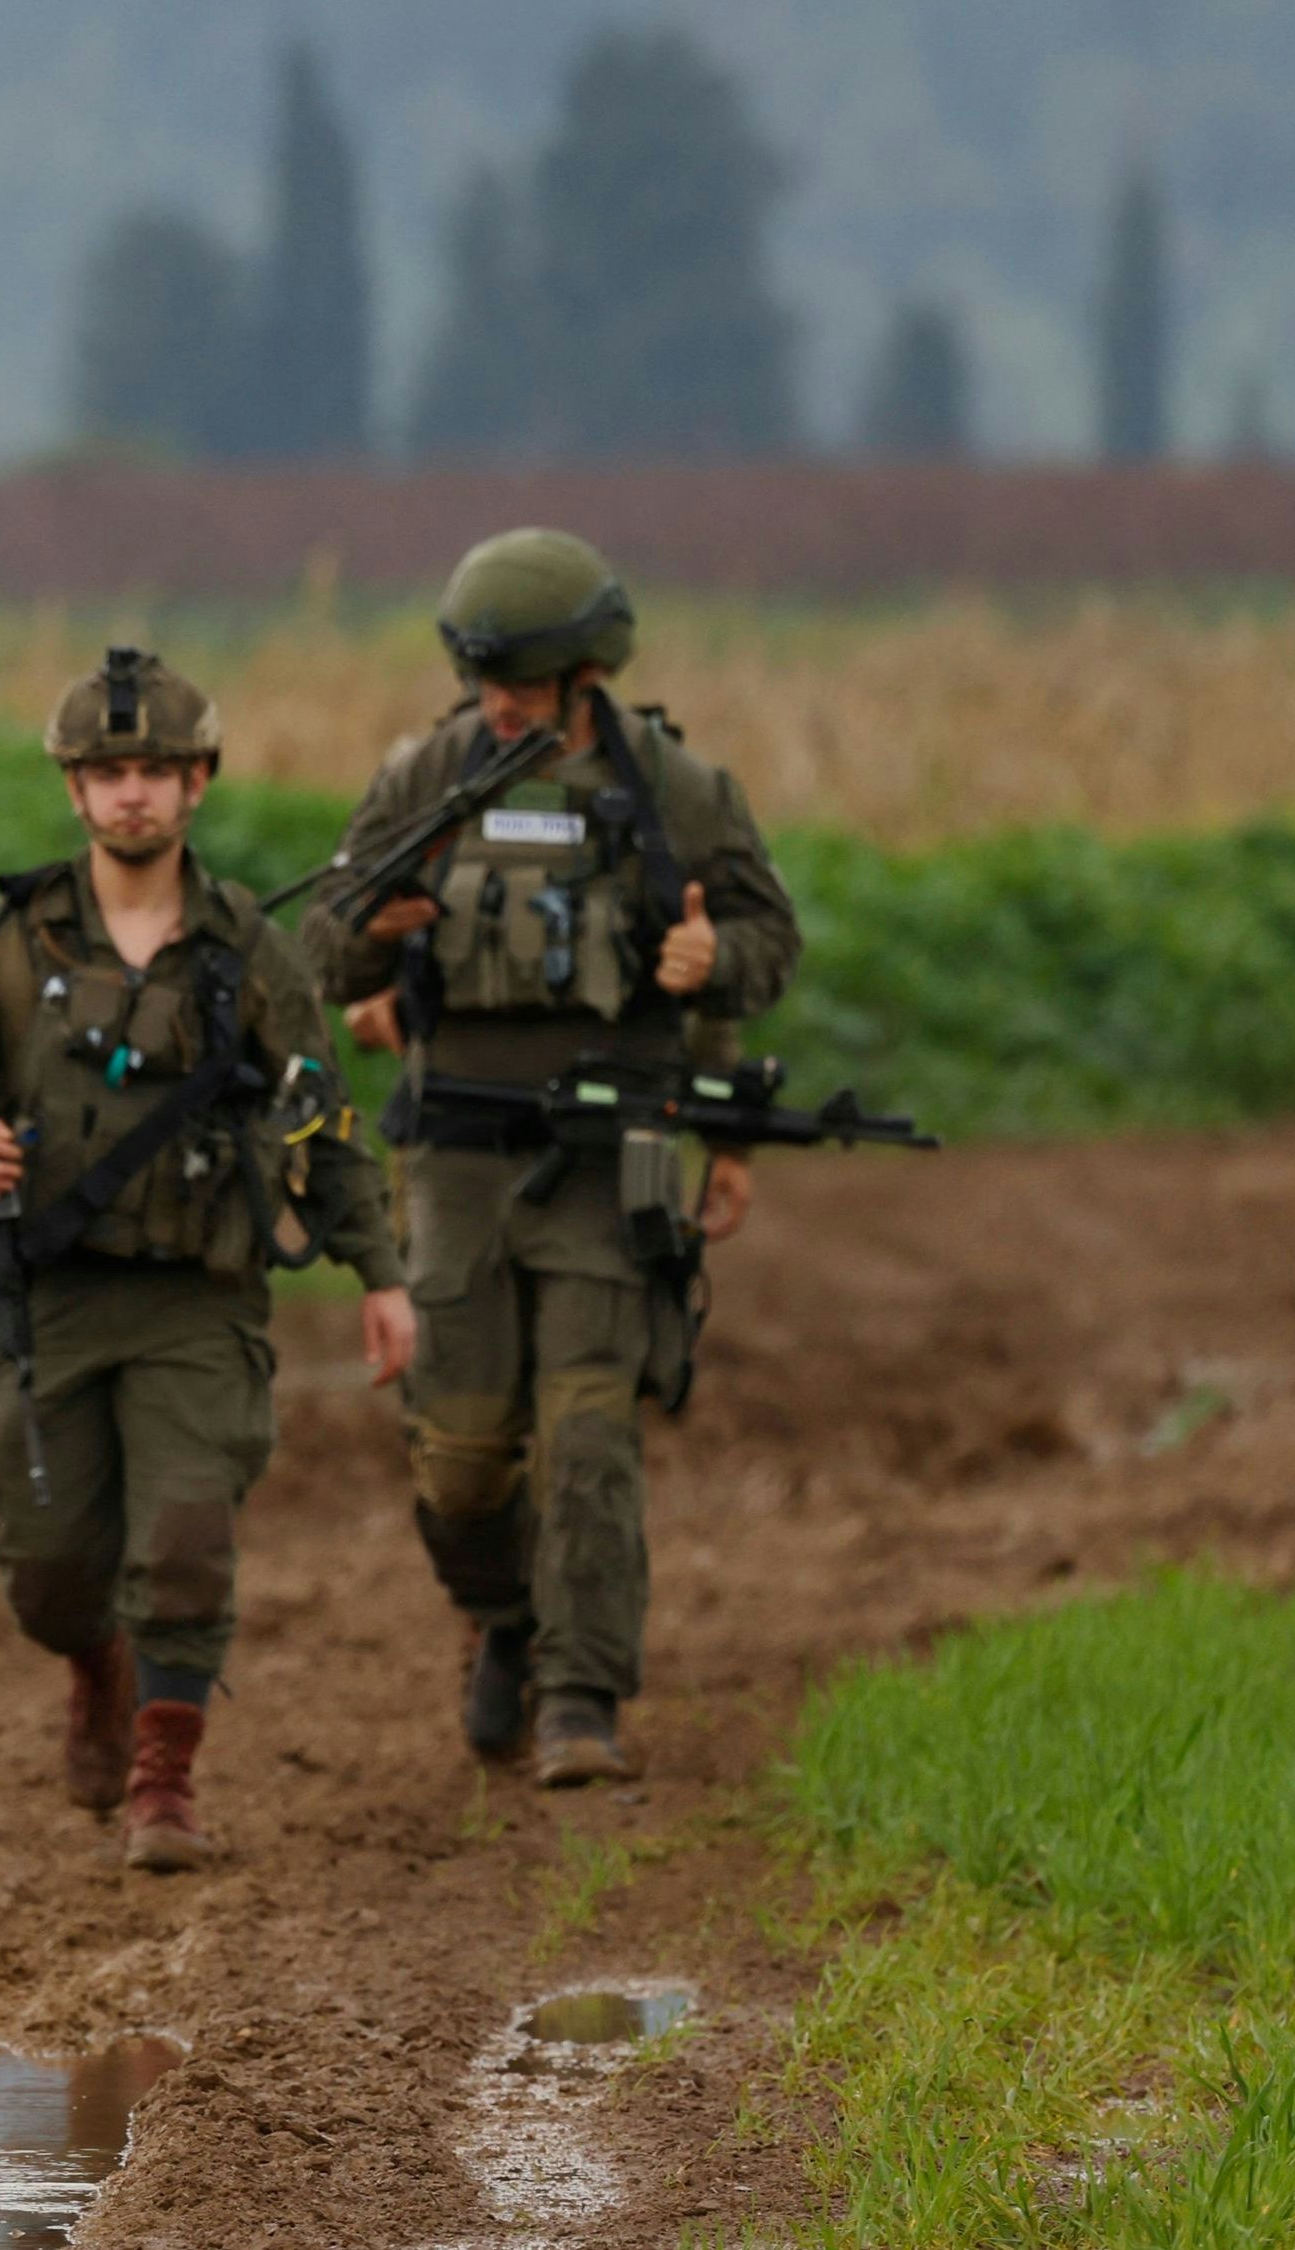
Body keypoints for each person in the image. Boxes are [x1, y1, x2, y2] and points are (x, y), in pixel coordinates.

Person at [298, 531, 802, 1789]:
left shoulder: (677, 789)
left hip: (608, 1158)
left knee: (588, 1435)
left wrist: (713, 965)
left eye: (520, 678)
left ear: (588, 671)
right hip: (454, 1157)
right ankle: (506, 1622)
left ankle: (583, 1696)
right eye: (482, 678)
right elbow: (317, 951)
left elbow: (768, 939)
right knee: (460, 1454)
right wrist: (372, 934)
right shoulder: (423, 775)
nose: (499, 703)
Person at [0, 650, 412, 1872]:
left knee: (185, 1544)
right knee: (48, 1572)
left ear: (197, 782)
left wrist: (381, 1274)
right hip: (48, 1297)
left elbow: (320, 1118)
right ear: (74, 789)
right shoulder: (7, 939)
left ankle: (164, 1781)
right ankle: (99, 1666)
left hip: (200, 1298)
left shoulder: (249, 951)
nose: (131, 792)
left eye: (154, 770)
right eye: (108, 772)